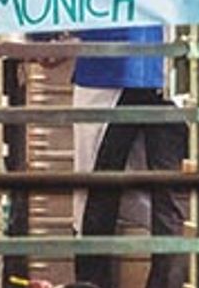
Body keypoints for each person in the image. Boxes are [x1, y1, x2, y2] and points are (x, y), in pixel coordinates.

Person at [73, 25, 188, 288]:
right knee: (169, 198)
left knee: (97, 190)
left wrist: (45, 36)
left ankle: (91, 282)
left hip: (110, 61)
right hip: (172, 62)